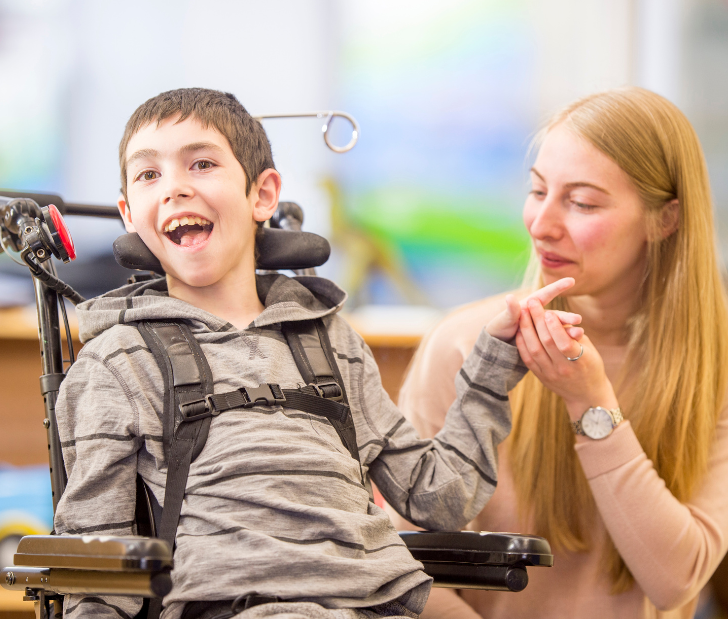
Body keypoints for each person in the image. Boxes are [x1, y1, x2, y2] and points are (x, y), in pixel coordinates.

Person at [51, 88, 578, 619]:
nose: (175, 188)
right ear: (129, 214)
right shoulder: (116, 364)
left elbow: (437, 497)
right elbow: (97, 573)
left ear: (263, 195)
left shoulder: (331, 343)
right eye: (148, 175)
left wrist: (491, 369)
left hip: (377, 602)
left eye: (202, 163)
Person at [394, 87, 728, 619]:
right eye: (538, 191)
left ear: (666, 220)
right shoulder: (463, 343)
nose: (541, 224)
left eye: (582, 202)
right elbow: (398, 562)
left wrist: (592, 404)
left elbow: (675, 580)